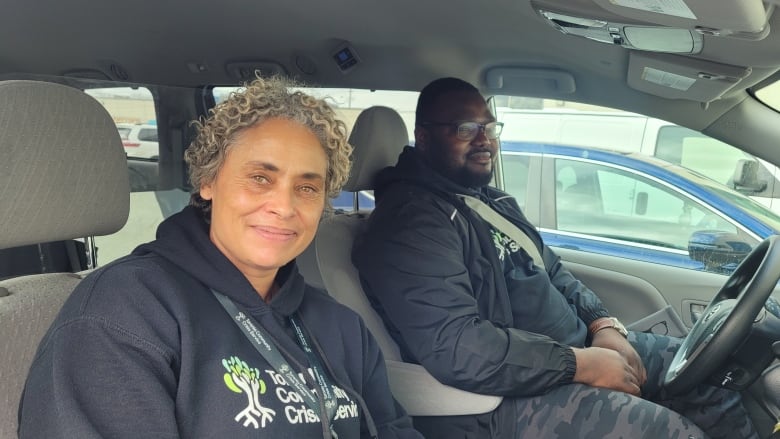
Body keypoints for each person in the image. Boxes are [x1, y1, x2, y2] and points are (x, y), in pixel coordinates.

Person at [352, 77, 759, 439]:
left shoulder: (487, 201)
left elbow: (555, 272)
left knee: (706, 369)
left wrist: (604, 326)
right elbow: (459, 348)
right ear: (423, 138)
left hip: (568, 356)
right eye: (465, 129)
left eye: (489, 127)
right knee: (667, 430)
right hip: (495, 402)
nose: (485, 140)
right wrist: (578, 365)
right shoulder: (410, 225)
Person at [18, 76, 423, 439]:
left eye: (306, 187)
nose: (284, 206)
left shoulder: (339, 326)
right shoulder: (122, 315)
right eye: (260, 178)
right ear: (208, 180)